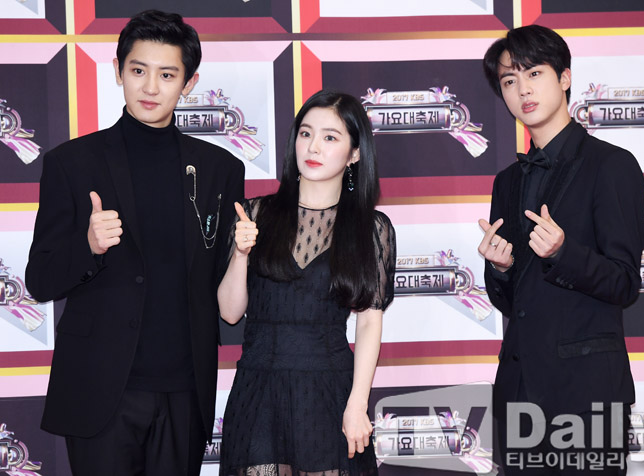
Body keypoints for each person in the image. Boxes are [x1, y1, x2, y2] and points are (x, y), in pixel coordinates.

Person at [25, 10, 245, 475]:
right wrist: (88, 246)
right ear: (118, 71)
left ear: (188, 83)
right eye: (138, 70)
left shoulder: (220, 170)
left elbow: (224, 288)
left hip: (185, 392)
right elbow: (40, 280)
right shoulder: (72, 163)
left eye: (167, 75)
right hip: (100, 390)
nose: (150, 87)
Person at [477, 25, 644, 475]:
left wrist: (563, 252)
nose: (522, 90)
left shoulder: (612, 166)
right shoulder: (506, 182)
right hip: (519, 395)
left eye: (534, 73)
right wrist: (501, 269)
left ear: (565, 77)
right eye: (509, 80)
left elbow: (625, 283)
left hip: (586, 397)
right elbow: (514, 304)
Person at [217, 89, 396, 475]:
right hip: (259, 388)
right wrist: (241, 254)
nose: (313, 146)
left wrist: (357, 404)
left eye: (330, 137)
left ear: (354, 153)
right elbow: (230, 313)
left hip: (328, 389)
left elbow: (369, 321)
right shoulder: (254, 213)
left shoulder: (370, 228)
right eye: (305, 133)